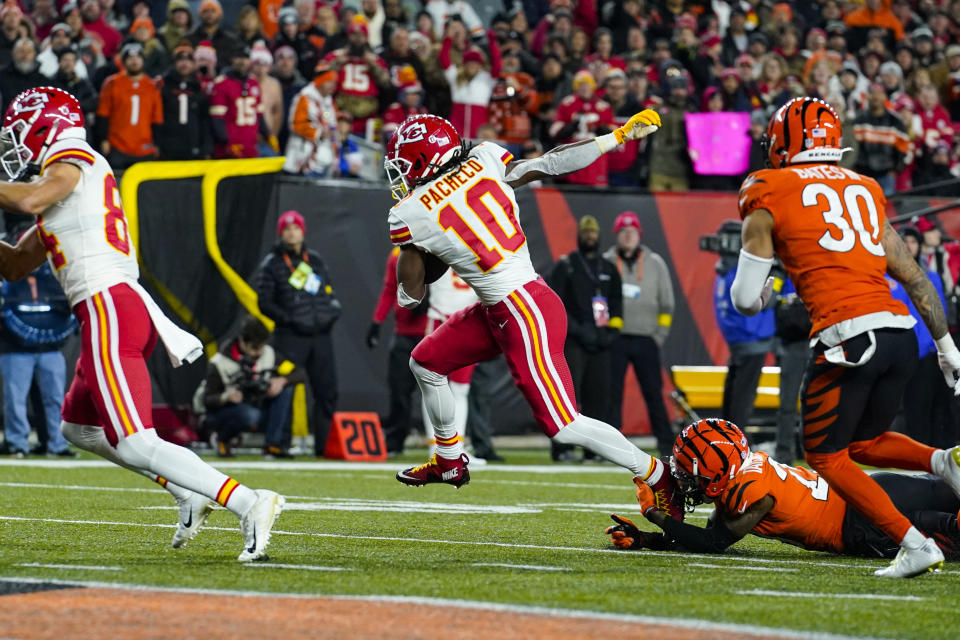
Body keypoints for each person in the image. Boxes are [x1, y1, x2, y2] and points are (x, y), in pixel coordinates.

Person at [0, 86, 283, 561]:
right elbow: (13, 265)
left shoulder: (72, 158)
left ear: (44, 125)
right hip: (110, 311)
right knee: (78, 429)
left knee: (134, 440)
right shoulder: (62, 191)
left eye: (19, 132)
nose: (14, 144)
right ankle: (186, 491)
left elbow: (30, 199)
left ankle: (249, 502)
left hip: (110, 308)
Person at [383, 112, 684, 515]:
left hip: (522, 311)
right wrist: (617, 137)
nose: (400, 175)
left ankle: (656, 474)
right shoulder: (485, 157)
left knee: (564, 425)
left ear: (426, 160)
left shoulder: (410, 212)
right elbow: (550, 162)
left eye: (404, 165)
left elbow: (409, 296)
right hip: (514, 301)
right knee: (426, 361)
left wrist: (415, 250)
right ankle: (449, 459)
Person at [733, 96, 960, 578]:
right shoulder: (865, 187)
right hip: (900, 332)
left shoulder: (768, 187)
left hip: (848, 335)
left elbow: (745, 299)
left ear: (782, 143)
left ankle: (914, 544)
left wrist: (774, 280)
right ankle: (944, 462)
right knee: (863, 440)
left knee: (823, 455)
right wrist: (947, 346)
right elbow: (914, 276)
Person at [606, 419, 960, 562]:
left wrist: (655, 514)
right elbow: (702, 537)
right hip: (874, 489)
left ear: (713, 472)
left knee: (951, 533)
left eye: (686, 472)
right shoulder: (748, 467)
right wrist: (646, 540)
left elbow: (713, 544)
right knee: (949, 489)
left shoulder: (749, 494)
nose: (682, 480)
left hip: (860, 528)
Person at [256, 210, 341, 457]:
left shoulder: (314, 260)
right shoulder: (272, 263)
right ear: (281, 233)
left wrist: (332, 312)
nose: (292, 233)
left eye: (296, 228)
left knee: (327, 390)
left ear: (303, 231)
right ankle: (279, 444)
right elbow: (264, 301)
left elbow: (329, 291)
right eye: (287, 229)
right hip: (290, 336)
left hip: (321, 336)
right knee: (285, 388)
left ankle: (323, 447)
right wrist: (289, 319)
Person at [549, 215, 622, 462]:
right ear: (579, 236)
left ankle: (594, 449)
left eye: (593, 233)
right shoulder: (567, 266)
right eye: (586, 233)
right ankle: (561, 448)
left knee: (598, 397)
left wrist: (610, 333)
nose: (590, 236)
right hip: (572, 341)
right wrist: (579, 330)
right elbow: (555, 303)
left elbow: (617, 303)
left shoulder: (608, 268)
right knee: (568, 396)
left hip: (601, 342)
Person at [0, 227, 77, 458]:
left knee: (54, 399)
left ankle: (57, 444)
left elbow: (68, 302)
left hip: (50, 348)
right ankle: (16, 443)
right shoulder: (7, 267)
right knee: (16, 399)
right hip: (13, 349)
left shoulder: (54, 268)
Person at [602, 211, 675, 457]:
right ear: (617, 235)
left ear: (639, 234)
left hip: (646, 339)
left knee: (653, 393)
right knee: (612, 393)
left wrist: (659, 336)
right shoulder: (607, 261)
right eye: (623, 232)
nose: (628, 236)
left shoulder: (655, 263)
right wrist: (605, 330)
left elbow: (667, 304)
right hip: (616, 338)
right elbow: (599, 299)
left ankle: (666, 443)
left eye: (632, 231)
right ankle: (610, 445)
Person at [199, 316, 303, 459]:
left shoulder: (269, 354)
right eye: (254, 347)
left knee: (286, 389)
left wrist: (282, 381)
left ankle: (272, 445)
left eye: (261, 347)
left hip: (256, 408)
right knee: (249, 415)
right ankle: (222, 438)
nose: (258, 353)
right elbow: (207, 401)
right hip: (225, 413)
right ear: (242, 341)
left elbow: (298, 373)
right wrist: (226, 396)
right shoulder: (219, 362)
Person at [368, 246, 429, 456]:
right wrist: (377, 321)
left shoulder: (436, 249)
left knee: (438, 390)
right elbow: (389, 288)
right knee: (399, 390)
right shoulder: (396, 255)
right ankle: (395, 440)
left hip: (432, 332)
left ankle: (445, 442)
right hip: (404, 333)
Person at [420, 265, 480, 458]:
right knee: (432, 383)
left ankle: (456, 448)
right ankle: (435, 446)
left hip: (468, 318)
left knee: (461, 388)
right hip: (441, 315)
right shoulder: (440, 239)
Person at [95, 43, 162, 170]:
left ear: (143, 60)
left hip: (145, 147)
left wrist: (157, 144)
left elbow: (157, 118)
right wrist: (103, 139)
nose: (134, 61)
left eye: (138, 57)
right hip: (117, 145)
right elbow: (103, 114)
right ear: (124, 62)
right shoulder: (112, 83)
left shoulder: (151, 86)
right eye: (130, 58)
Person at [209, 45, 277, 159]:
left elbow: (259, 116)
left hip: (250, 148)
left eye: (245, 58)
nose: (242, 61)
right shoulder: (221, 84)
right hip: (229, 151)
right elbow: (217, 119)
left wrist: (268, 135)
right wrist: (226, 143)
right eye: (238, 57)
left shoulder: (253, 83)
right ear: (232, 59)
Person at [156, 44, 211, 161]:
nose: (184, 64)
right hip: (168, 146)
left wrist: (206, 148)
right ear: (174, 63)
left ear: (194, 64)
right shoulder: (162, 85)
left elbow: (205, 121)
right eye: (180, 60)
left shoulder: (200, 88)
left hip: (193, 145)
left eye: (189, 60)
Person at [852, 83, 908, 196]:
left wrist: (895, 171)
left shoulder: (895, 122)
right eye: (872, 93)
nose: (875, 97)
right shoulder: (858, 120)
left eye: (879, 94)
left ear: (885, 97)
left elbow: (904, 150)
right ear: (867, 96)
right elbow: (852, 148)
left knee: (886, 212)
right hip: (863, 175)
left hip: (886, 175)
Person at [283, 63, 338, 176]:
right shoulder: (304, 98)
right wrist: (318, 133)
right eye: (329, 82)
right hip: (303, 155)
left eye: (334, 82)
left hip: (324, 157)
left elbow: (330, 121)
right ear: (320, 82)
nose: (333, 86)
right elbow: (295, 124)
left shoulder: (328, 100)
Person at [0, 38, 47, 113]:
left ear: (34, 55)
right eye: (21, 51)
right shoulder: (2, 76)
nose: (25, 55)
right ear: (14, 53)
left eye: (29, 52)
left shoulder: (43, 81)